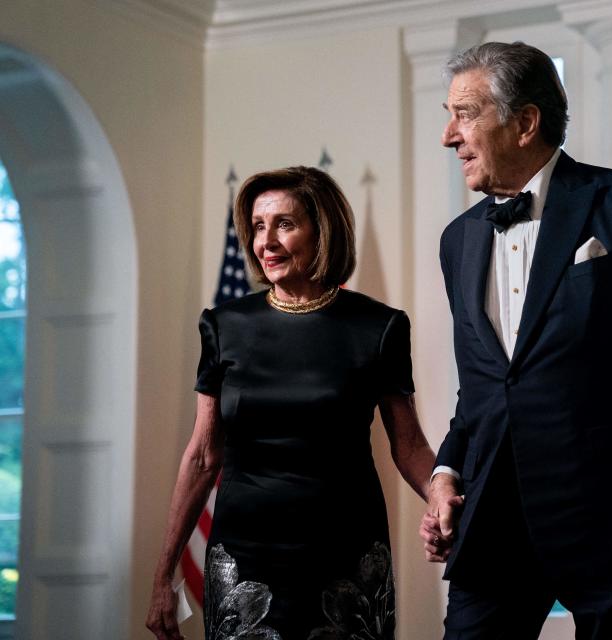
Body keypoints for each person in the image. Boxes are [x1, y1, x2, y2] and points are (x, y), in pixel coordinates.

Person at [419, 42, 612, 638]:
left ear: (525, 122)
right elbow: (483, 387)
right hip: (492, 529)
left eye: (464, 114)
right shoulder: (456, 241)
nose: (448, 136)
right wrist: (446, 472)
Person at [147, 166, 435, 640]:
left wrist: (444, 499)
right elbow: (202, 455)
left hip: (346, 554)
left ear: (323, 231)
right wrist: (163, 575)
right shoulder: (223, 326)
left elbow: (409, 447)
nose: (267, 242)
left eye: (285, 224)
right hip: (245, 557)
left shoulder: (378, 327)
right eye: (259, 226)